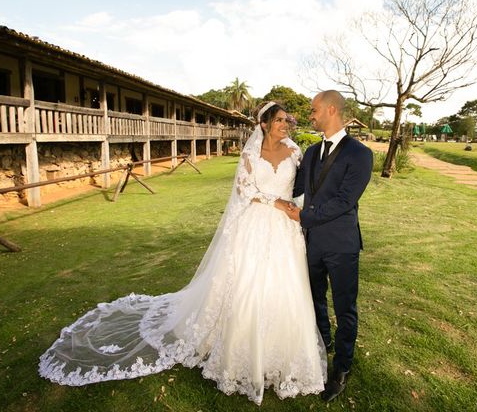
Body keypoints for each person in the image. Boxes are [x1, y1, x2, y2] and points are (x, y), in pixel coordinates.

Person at [39, 101, 327, 405]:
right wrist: (275, 202)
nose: (286, 125)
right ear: (265, 124)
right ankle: (239, 348)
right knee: (247, 285)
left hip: (285, 229)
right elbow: (245, 191)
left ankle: (284, 350)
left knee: (285, 286)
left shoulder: (295, 151)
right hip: (255, 224)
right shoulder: (250, 154)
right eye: (280, 120)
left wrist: (298, 208)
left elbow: (303, 186)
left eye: (288, 120)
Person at [286, 90, 373, 402]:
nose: (310, 115)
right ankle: (323, 343)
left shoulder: (360, 154)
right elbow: (297, 188)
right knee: (314, 299)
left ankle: (342, 367)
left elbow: (344, 200)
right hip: (309, 243)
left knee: (345, 307)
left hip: (342, 244)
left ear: (331, 109)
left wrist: (305, 216)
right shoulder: (309, 152)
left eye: (314, 110)